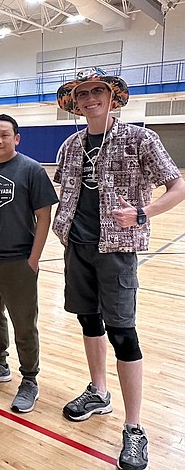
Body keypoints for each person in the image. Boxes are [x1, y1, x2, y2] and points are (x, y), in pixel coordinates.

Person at [53, 68, 185, 470]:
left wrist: (143, 213)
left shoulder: (141, 138)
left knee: (123, 333)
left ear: (113, 98)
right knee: (88, 321)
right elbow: (65, 192)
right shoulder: (71, 145)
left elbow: (178, 186)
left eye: (98, 91)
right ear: (75, 102)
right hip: (77, 247)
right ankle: (98, 391)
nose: (90, 97)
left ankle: (134, 427)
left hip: (117, 250)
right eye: (82, 93)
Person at [0, 114, 58, 414]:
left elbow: (44, 217)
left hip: (18, 262)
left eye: (4, 135)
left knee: (24, 325)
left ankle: (29, 379)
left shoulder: (31, 170)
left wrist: (33, 259)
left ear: (16, 138)